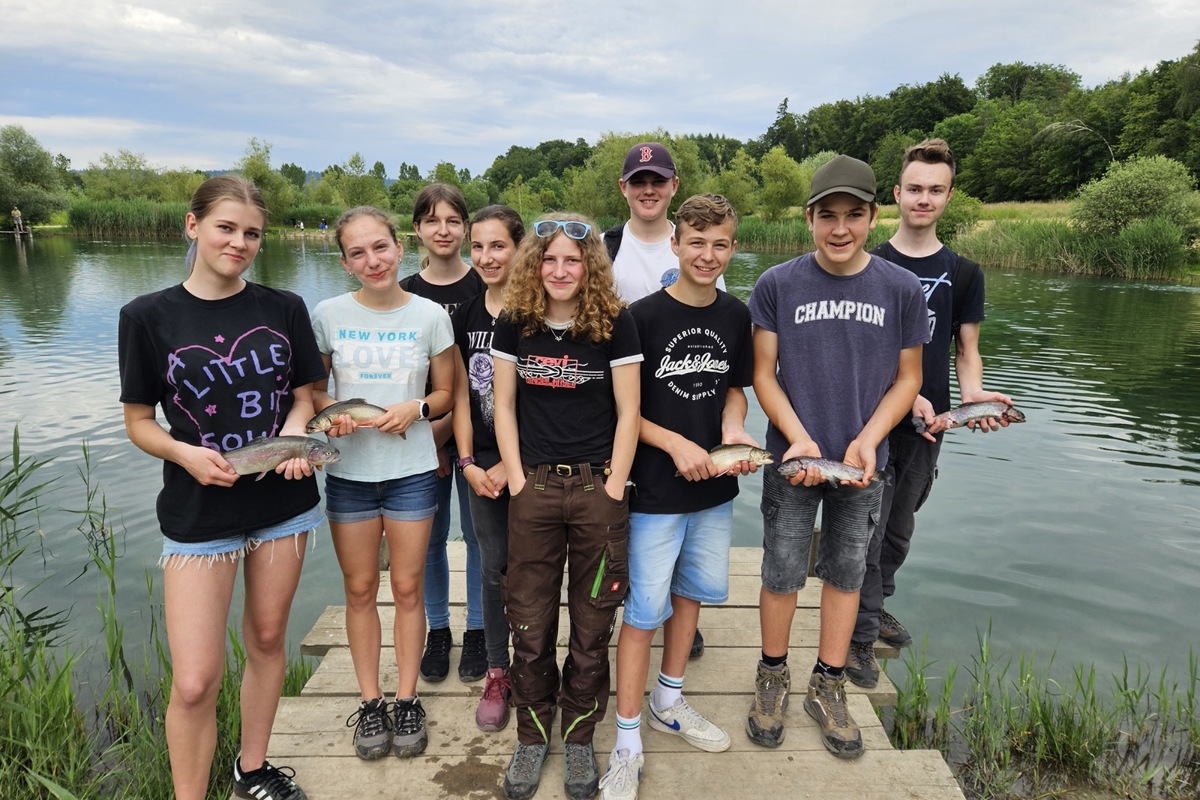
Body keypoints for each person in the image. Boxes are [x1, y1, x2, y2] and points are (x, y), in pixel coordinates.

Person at [118, 175, 322, 800]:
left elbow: (304, 399)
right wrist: (185, 454)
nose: (239, 243)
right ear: (193, 225)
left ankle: (252, 769)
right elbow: (139, 423)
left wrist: (293, 444)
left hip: (282, 505)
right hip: (199, 508)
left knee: (266, 640)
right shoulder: (146, 317)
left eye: (252, 233)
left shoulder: (284, 307)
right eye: (226, 228)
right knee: (195, 680)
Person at [745, 155, 928, 759]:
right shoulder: (777, 284)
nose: (840, 228)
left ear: (875, 216)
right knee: (781, 571)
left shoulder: (900, 288)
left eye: (854, 215)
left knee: (847, 574)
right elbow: (763, 374)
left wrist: (870, 437)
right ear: (809, 219)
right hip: (794, 459)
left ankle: (828, 685)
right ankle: (772, 674)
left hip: (864, 464)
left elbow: (908, 379)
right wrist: (796, 435)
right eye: (828, 215)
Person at [599, 194, 757, 800]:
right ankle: (628, 739)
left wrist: (733, 428)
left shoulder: (736, 314)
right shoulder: (638, 317)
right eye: (696, 242)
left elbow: (736, 389)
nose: (707, 255)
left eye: (719, 244)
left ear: (731, 247)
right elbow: (624, 410)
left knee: (691, 596)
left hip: (714, 491)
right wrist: (676, 445)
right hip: (654, 492)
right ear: (675, 244)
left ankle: (670, 700)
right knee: (643, 613)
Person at [846, 139, 1013, 688]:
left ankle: (876, 603)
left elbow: (966, 350)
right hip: (871, 419)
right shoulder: (871, 263)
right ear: (896, 194)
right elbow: (858, 350)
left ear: (948, 196)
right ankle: (859, 635)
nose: (924, 199)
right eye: (914, 188)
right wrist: (901, 390)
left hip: (931, 424)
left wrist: (975, 404)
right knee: (866, 528)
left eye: (935, 190)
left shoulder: (964, 273)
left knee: (898, 528)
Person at [492, 213, 642, 800]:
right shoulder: (515, 322)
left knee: (593, 621)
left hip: (595, 490)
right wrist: (516, 481)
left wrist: (614, 486)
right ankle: (532, 736)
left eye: (572, 260)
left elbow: (630, 412)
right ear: (535, 264)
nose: (560, 270)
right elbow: (503, 405)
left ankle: (579, 736)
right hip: (533, 488)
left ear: (589, 267)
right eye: (550, 259)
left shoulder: (615, 323)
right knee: (528, 619)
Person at [309, 206, 456, 761]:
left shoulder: (430, 316)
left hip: (412, 472)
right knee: (360, 589)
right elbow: (313, 390)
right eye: (357, 253)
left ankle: (407, 697)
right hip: (348, 474)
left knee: (410, 588)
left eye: (380, 248)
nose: (372, 260)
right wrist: (335, 411)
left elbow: (446, 394)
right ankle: (370, 702)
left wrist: (414, 407)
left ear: (399, 248)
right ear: (345, 263)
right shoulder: (327, 314)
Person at [601, 140, 714, 660]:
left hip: (678, 394)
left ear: (673, 188)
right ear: (624, 188)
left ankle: (674, 616)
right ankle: (622, 611)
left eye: (659, 181)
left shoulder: (696, 243)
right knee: (621, 514)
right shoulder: (605, 248)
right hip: (616, 399)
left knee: (676, 514)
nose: (649, 190)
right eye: (639, 181)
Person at [402, 183, 487, 684]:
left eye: (453, 221)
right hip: (422, 434)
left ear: (466, 228)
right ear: (417, 229)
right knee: (429, 541)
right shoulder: (407, 292)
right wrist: (428, 435)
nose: (443, 230)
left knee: (478, 538)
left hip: (478, 432)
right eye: (432, 220)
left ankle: (477, 629)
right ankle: (438, 630)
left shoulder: (486, 284)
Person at [450, 204, 526, 731]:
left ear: (519, 249)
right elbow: (460, 397)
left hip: (532, 465)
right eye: (477, 247)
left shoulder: (538, 315)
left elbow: (548, 403)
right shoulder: (466, 315)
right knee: (493, 568)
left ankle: (539, 665)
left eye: (497, 245)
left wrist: (512, 464)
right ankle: (498, 671)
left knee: (541, 572)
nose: (486, 257)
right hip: (481, 469)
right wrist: (469, 462)